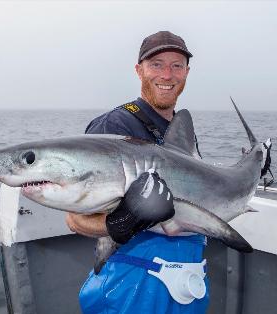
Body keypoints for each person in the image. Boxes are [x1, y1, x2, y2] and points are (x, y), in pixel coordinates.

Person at [66, 31, 209, 313]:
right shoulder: (115, 126)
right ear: (139, 69)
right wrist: (117, 225)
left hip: (187, 279)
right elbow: (75, 218)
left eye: (177, 65)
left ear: (187, 73)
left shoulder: (179, 134)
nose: (167, 74)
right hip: (132, 285)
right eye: (156, 64)